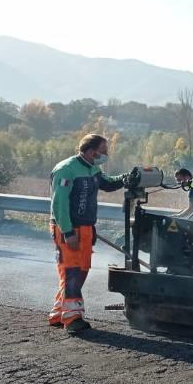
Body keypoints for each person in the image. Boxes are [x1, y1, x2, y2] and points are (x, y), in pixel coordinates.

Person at [48, 134, 129, 334]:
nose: (106, 155)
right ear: (93, 151)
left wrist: (127, 178)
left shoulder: (92, 167)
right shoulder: (66, 169)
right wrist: (68, 232)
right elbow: (59, 204)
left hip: (85, 229)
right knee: (72, 272)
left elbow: (108, 183)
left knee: (79, 271)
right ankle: (73, 318)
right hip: (69, 229)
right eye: (104, 151)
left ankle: (59, 313)